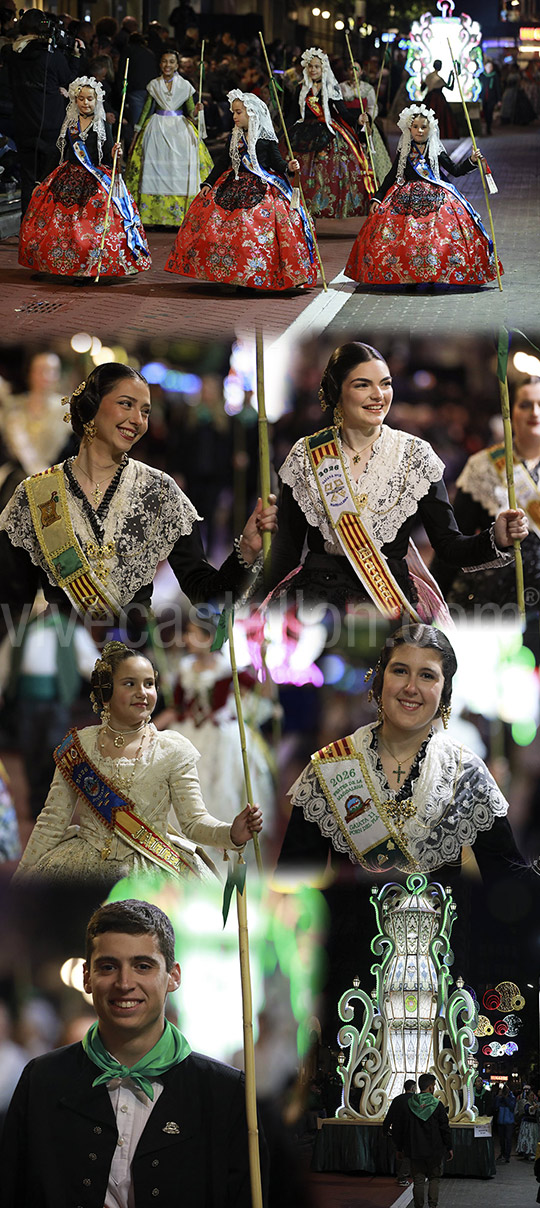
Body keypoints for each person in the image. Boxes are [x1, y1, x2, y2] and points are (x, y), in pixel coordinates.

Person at [0, 898, 267, 1206]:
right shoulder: (41, 1080)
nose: (124, 983)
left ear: (173, 976)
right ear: (87, 977)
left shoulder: (228, 1093)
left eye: (143, 966)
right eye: (108, 966)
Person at [0, 362, 277, 640]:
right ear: (93, 407)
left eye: (145, 411)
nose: (138, 420)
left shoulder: (159, 491)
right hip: (60, 663)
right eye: (126, 404)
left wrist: (247, 552)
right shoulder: (35, 494)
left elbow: (208, 595)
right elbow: (12, 603)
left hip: (135, 665)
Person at [266, 342, 527, 616]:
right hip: (318, 607)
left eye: (386, 384)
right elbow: (287, 550)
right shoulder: (307, 455)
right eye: (362, 385)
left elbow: (449, 546)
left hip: (389, 604)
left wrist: (496, 538)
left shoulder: (416, 455)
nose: (378, 395)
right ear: (337, 390)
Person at [277, 624, 531, 884]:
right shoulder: (331, 767)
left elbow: (509, 882)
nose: (411, 687)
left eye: (427, 676)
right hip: (350, 922)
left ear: (444, 692)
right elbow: (293, 883)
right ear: (380, 679)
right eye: (400, 671)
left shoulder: (467, 774)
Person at [14, 640, 262, 887]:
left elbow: (194, 822)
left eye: (149, 684)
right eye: (130, 683)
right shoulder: (79, 745)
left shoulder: (173, 749)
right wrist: (22, 879)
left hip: (154, 869)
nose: (142, 692)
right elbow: (52, 820)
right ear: (106, 692)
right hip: (84, 870)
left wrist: (231, 833)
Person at [165, 90, 317, 291]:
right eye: (234, 113)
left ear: (251, 114)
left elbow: (277, 163)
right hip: (232, 185)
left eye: (238, 113)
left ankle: (252, 276)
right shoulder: (233, 137)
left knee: (250, 226)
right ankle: (226, 272)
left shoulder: (265, 139)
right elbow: (222, 163)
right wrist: (208, 184)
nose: (234, 117)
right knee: (215, 225)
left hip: (261, 187)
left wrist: (289, 167)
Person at [155, 612, 276, 851]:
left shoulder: (228, 670)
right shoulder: (185, 668)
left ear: (210, 639)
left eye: (192, 633)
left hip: (221, 738)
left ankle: (222, 838)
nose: (187, 638)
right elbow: (178, 706)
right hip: (188, 733)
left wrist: (264, 660)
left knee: (221, 786)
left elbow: (265, 693)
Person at [345, 103, 502, 287]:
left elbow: (455, 170)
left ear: (430, 129)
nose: (420, 131)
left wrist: (472, 161)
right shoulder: (405, 150)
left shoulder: (436, 149)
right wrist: (378, 197)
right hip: (406, 198)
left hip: (437, 197)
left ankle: (433, 275)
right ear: (409, 128)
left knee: (437, 236)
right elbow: (392, 176)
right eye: (415, 127)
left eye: (424, 127)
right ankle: (410, 276)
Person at [18, 76, 151, 279]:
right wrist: (41, 180)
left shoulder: (103, 126)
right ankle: (62, 264)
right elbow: (57, 154)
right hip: (68, 177)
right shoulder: (69, 124)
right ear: (75, 100)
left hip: (95, 179)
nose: (85, 103)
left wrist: (117, 154)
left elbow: (107, 158)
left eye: (90, 99)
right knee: (61, 223)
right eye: (81, 98)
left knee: (92, 225)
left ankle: (89, 266)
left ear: (96, 101)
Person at [437, 377, 540, 614]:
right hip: (495, 605)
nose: (534, 412)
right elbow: (454, 544)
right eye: (525, 404)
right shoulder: (482, 466)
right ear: (509, 410)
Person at [1, 7, 85, 215]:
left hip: (23, 124)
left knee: (29, 180)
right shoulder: (52, 57)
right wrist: (75, 56)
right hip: (50, 126)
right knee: (51, 180)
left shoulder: (12, 55)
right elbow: (70, 81)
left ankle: (27, 230)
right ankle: (45, 229)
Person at [126, 47, 212, 227]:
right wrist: (136, 132)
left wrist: (197, 111)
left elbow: (191, 113)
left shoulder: (185, 86)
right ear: (160, 63)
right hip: (156, 128)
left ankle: (180, 216)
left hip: (180, 130)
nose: (168, 65)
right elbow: (146, 110)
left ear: (177, 65)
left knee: (178, 168)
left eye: (172, 62)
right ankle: (152, 216)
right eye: (165, 61)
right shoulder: (154, 84)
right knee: (155, 166)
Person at [286, 47, 374, 219]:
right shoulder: (301, 88)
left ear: (323, 68)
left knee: (329, 172)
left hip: (328, 132)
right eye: (310, 66)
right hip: (304, 133)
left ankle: (324, 208)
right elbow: (292, 114)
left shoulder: (330, 87)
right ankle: (303, 210)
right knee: (302, 171)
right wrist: (284, 133)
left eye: (317, 66)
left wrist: (358, 120)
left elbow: (343, 112)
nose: (313, 70)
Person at [391, 1072, 452, 1208]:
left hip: (414, 1149)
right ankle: (432, 1205)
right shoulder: (438, 1105)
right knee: (434, 1179)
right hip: (434, 1150)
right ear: (430, 1087)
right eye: (434, 1086)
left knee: (418, 1181)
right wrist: (449, 1147)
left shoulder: (409, 1104)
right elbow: (445, 1129)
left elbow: (399, 1128)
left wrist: (399, 1148)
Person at [382, 1079, 416, 1187]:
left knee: (399, 1153)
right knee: (409, 1155)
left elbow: (389, 1116)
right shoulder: (415, 1099)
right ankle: (402, 1176)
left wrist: (385, 1129)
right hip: (410, 1131)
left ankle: (400, 1174)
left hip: (397, 1131)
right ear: (413, 1088)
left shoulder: (397, 1099)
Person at [423, 58, 458, 138]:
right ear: (440, 67)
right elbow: (450, 87)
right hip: (439, 100)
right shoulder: (439, 79)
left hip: (429, 99)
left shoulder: (429, 76)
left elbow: (422, 88)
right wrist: (452, 77)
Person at [494, 1083, 516, 1162]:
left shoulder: (512, 1097)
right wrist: (498, 1097)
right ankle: (502, 1153)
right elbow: (496, 1106)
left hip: (509, 1121)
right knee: (502, 1139)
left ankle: (507, 1156)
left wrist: (506, 1098)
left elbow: (512, 1106)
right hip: (501, 1121)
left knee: (508, 1139)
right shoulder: (500, 1097)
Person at [516, 1090, 538, 1160]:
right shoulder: (526, 1103)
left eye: (533, 1095)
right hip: (527, 1124)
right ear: (528, 1096)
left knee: (533, 1138)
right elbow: (528, 1109)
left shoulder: (534, 1103)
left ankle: (532, 1152)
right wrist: (533, 1107)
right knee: (528, 1138)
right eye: (531, 1095)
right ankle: (528, 1152)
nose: (532, 1097)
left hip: (533, 1124)